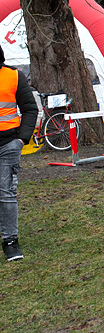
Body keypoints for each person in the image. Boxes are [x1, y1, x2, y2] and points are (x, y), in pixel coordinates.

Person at [0, 44, 37, 261]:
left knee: (6, 193)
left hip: (8, 144)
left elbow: (30, 108)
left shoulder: (14, 76)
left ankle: (10, 241)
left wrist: (22, 139)